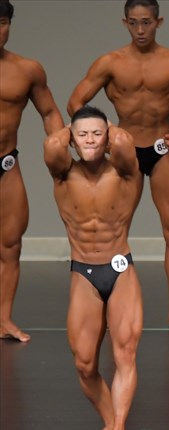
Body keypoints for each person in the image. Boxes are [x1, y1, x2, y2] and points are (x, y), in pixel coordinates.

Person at [68, 0, 169, 330]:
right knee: (114, 233)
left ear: (158, 22)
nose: (140, 29)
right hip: (125, 153)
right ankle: (107, 306)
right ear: (125, 23)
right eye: (133, 23)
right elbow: (75, 102)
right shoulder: (110, 62)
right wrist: (106, 135)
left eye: (146, 22)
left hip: (162, 149)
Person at [43, 105, 143, 430]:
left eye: (97, 134)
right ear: (72, 139)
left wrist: (105, 128)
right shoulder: (63, 174)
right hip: (83, 273)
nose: (90, 140)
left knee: (125, 353)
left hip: (120, 269)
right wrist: (76, 130)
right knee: (85, 365)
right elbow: (52, 146)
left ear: (108, 136)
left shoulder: (126, 172)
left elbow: (126, 143)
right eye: (82, 135)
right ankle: (110, 424)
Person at [0, 0, 64, 342]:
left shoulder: (27, 70)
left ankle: (3, 319)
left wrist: (60, 147)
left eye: (2, 22)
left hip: (6, 166)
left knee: (10, 245)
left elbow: (49, 112)